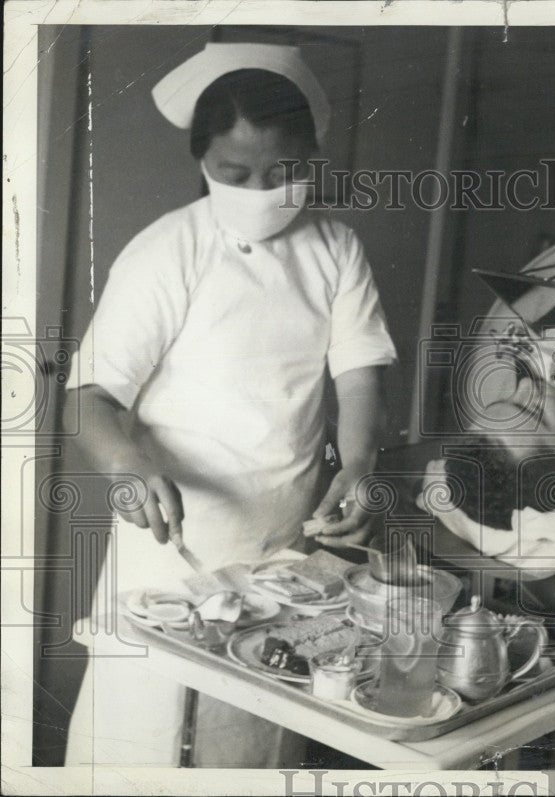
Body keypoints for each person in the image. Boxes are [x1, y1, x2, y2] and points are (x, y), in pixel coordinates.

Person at [64, 43, 397, 766]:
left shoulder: (336, 249)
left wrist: (361, 461)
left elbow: (361, 373)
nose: (261, 192)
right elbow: (88, 396)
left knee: (250, 739)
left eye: (285, 172)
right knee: (145, 740)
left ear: (313, 155)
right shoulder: (168, 252)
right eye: (234, 174)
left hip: (284, 547)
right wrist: (127, 463)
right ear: (201, 163)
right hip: (172, 546)